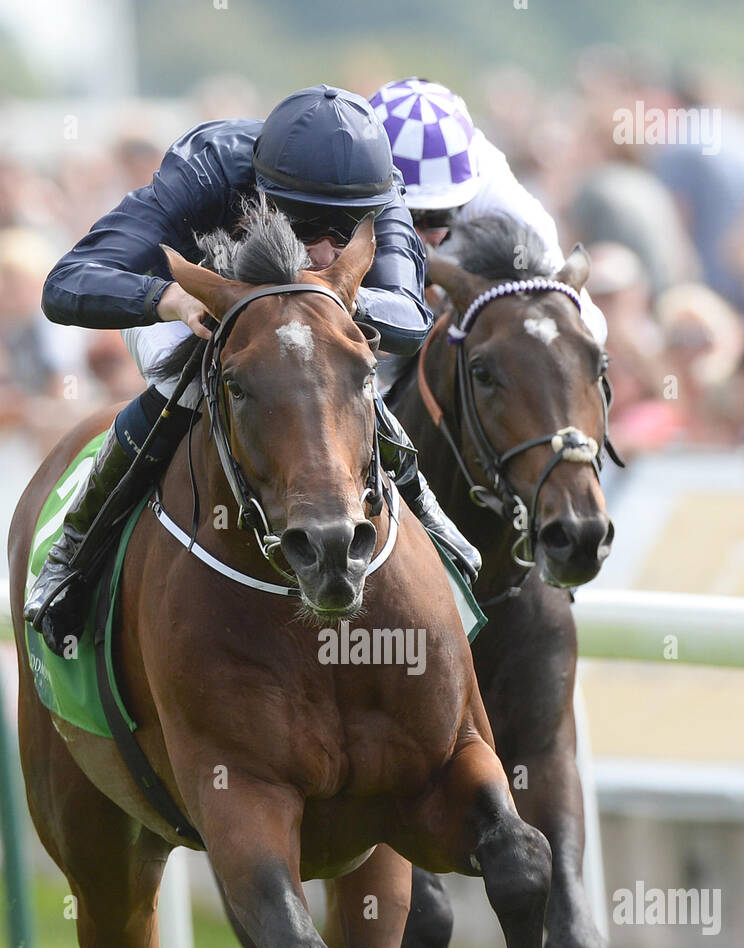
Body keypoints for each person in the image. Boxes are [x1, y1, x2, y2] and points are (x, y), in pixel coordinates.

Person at [25, 85, 480, 655]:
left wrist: (331, 304)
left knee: (335, 364)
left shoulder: (377, 192)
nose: (321, 250)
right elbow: (66, 283)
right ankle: (74, 556)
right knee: (189, 379)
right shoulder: (207, 170)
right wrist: (167, 297)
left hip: (297, 323)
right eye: (305, 226)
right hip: (190, 307)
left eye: (340, 234)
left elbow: (411, 319)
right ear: (262, 192)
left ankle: (429, 516)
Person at [368, 77, 607, 344]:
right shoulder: (346, 169)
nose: (419, 237)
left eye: (436, 218)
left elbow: (588, 327)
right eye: (405, 216)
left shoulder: (510, 212)